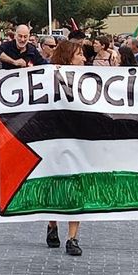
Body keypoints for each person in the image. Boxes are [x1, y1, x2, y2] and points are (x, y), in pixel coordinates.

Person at [46, 40, 87, 256]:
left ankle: (73, 238)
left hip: (78, 137)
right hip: (54, 137)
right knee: (54, 183)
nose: (84, 58)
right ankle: (52, 224)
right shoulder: (49, 77)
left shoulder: (89, 80)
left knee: (77, 184)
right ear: (68, 56)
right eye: (79, 54)